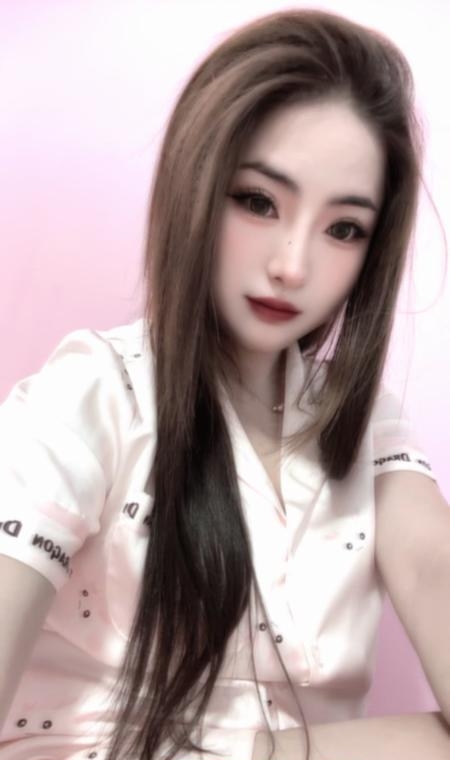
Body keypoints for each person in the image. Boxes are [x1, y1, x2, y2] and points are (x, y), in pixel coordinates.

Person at [0, 7, 450, 760]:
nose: (292, 265)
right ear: (196, 183)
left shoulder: (365, 422)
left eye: (343, 228)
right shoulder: (90, 399)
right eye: (258, 202)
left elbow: (433, 566)